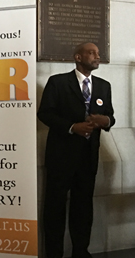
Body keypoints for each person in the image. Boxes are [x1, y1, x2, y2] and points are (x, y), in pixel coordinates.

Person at [38, 42, 115, 258]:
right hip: (60, 157)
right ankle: (54, 253)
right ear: (78, 57)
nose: (97, 56)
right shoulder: (58, 83)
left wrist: (105, 120)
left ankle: (81, 251)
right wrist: (73, 127)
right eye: (92, 53)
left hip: (88, 157)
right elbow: (45, 114)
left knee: (83, 208)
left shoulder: (104, 86)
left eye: (98, 53)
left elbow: (110, 116)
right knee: (55, 208)